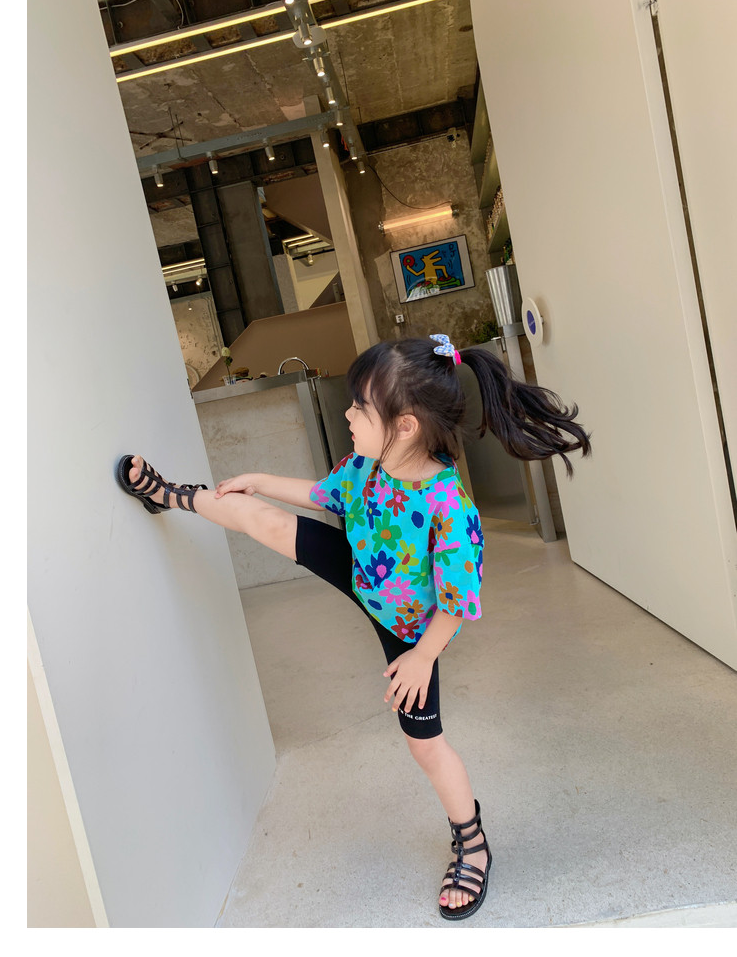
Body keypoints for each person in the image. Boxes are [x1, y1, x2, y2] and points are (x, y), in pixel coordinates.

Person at [116, 332, 591, 921]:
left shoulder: (449, 506)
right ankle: (168, 495)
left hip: (413, 629)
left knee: (425, 745)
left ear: (406, 426)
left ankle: (472, 842)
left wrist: (421, 658)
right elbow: (321, 495)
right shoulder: (366, 466)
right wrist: (261, 480)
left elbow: (457, 602)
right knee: (258, 516)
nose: (347, 415)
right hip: (361, 571)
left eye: (360, 408)